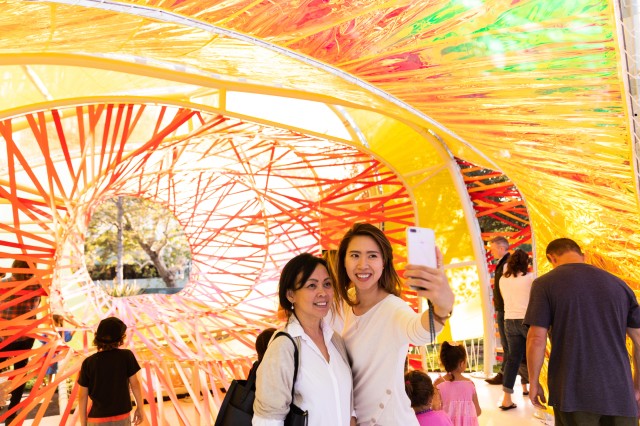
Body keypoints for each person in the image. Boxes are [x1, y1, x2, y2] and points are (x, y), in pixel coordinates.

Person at [332, 222, 455, 425]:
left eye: (372, 255)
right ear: (344, 261)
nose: (362, 264)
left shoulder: (393, 309)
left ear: (384, 262)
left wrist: (442, 307)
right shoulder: (346, 303)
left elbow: (420, 331)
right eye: (355, 255)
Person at [525, 238, 640, 425]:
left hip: (573, 393)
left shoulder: (544, 284)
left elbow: (536, 338)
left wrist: (534, 381)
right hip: (620, 393)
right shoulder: (619, 285)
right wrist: (637, 387)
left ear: (551, 258)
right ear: (583, 256)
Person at [253, 253, 355, 426]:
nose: (322, 293)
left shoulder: (335, 341)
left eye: (327, 284)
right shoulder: (283, 347)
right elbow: (267, 421)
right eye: (311, 285)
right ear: (291, 294)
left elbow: (348, 407)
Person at [77, 316, 145, 426]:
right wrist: (140, 408)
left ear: (97, 337)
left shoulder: (88, 363)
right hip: (121, 417)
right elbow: (135, 384)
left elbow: (82, 396)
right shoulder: (126, 356)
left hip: (96, 420)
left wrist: (83, 423)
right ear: (121, 338)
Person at [0, 259, 43, 425]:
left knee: (15, 371)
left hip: (5, 337)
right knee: (20, 373)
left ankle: (9, 408)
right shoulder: (37, 286)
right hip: (25, 338)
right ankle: (12, 411)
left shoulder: (4, 284)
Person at [498, 249, 534, 410]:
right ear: (525, 263)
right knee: (535, 356)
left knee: (513, 359)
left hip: (509, 321)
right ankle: (537, 393)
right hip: (527, 320)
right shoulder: (530, 279)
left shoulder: (502, 280)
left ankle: (506, 399)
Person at [434, 341, 481, 426]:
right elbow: (477, 411)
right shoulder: (470, 384)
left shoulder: (438, 384)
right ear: (462, 363)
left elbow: (434, 409)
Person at [44, 314, 75, 387]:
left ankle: (48, 387)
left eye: (53, 322)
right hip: (48, 354)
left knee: (51, 372)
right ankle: (45, 386)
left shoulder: (63, 332)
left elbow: (68, 336)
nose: (51, 324)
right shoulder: (52, 330)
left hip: (55, 355)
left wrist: (77, 327)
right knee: (45, 371)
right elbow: (44, 338)